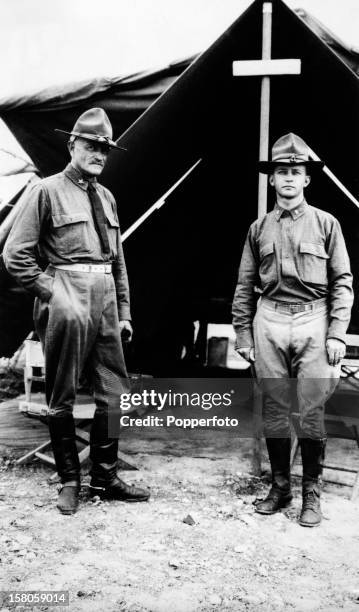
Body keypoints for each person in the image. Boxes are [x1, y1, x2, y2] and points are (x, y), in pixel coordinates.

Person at [3, 107, 150, 514]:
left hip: (104, 295)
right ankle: (70, 481)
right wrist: (54, 293)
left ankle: (105, 476)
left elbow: (117, 260)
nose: (99, 153)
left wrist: (123, 310)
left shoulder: (106, 196)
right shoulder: (46, 191)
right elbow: (15, 255)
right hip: (66, 292)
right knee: (62, 393)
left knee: (114, 391)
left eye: (105, 148)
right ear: (72, 145)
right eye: (91, 145)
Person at [232, 133, 353, 527]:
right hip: (269, 320)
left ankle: (311, 495)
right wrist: (244, 335)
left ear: (306, 179)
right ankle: (280, 487)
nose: (288, 178)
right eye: (281, 171)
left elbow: (343, 281)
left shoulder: (326, 224)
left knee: (311, 410)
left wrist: (337, 332)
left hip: (313, 320)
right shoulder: (258, 228)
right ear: (271, 180)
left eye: (295, 172)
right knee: (275, 408)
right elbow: (244, 284)